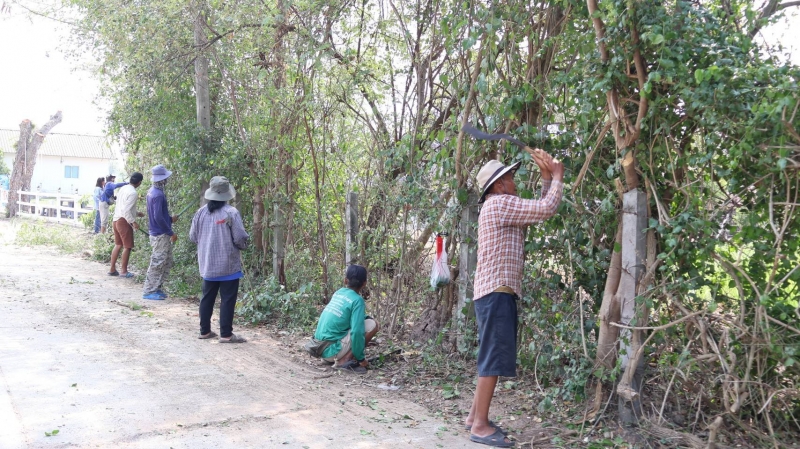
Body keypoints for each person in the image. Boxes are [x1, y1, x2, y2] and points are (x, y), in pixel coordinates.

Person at [465, 149, 564, 448]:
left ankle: (474, 417)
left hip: (493, 292)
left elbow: (535, 211)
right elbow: (547, 209)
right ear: (498, 185)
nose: (514, 183)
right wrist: (558, 175)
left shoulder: (498, 206)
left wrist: (546, 177)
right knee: (493, 358)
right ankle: (480, 425)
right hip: (497, 291)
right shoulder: (500, 204)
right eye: (510, 178)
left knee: (490, 355)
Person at [189, 176, 249, 343]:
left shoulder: (200, 213)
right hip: (228, 264)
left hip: (207, 264)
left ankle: (205, 331)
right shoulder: (231, 212)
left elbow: (193, 237)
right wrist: (243, 245)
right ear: (226, 194)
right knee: (227, 299)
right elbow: (240, 237)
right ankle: (226, 334)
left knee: (207, 297)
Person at [311, 264, 379, 374]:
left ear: (345, 280)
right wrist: (361, 359)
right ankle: (345, 359)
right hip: (333, 352)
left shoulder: (338, 293)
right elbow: (356, 332)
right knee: (373, 324)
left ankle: (332, 358)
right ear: (364, 283)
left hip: (320, 348)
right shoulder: (357, 300)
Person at [142, 165, 177, 300]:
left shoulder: (151, 192)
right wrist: (170, 232)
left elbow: (158, 215)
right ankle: (149, 291)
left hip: (157, 232)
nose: (166, 181)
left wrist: (170, 219)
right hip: (160, 234)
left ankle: (157, 287)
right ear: (162, 180)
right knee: (158, 262)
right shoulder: (158, 195)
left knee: (166, 261)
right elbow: (157, 216)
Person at [109, 172, 144, 278]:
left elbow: (123, 207)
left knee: (118, 245)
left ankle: (112, 269)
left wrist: (136, 213)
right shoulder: (133, 193)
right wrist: (133, 222)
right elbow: (126, 210)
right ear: (139, 182)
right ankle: (124, 271)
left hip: (116, 219)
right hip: (123, 221)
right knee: (127, 246)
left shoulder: (123, 188)